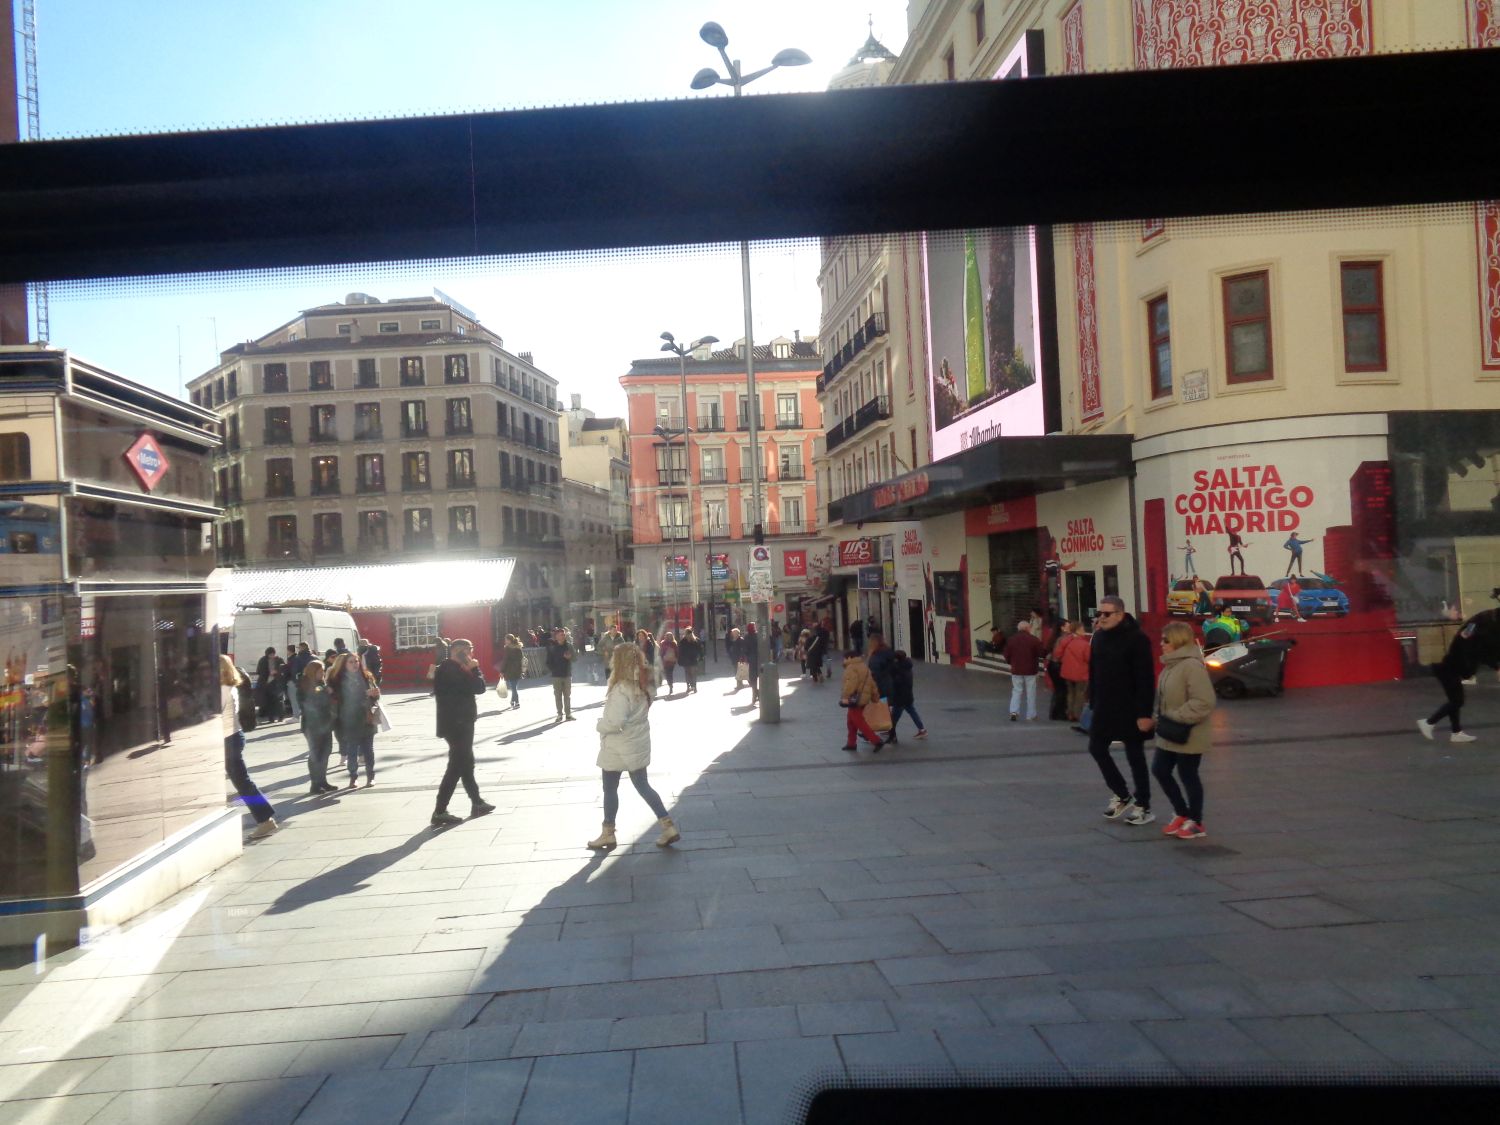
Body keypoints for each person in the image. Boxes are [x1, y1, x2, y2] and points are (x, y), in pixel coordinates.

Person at [586, 642, 680, 850]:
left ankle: (608, 833)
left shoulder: (621, 689)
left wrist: (599, 725)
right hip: (638, 740)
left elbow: (615, 722)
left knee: (610, 788)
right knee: (643, 786)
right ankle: (668, 825)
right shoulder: (645, 684)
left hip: (618, 745)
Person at [1086, 596, 1157, 826]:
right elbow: (1094, 671)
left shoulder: (1137, 639)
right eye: (1100, 613)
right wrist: (1093, 700)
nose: (1101, 618)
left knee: (1135, 755)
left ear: (1120, 614)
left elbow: (1145, 678)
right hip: (1104, 706)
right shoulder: (1098, 637)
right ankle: (1122, 794)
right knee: (1096, 748)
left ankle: (1143, 805)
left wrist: (1144, 713)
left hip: (1131, 707)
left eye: (1107, 614)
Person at [1152, 621, 1217, 839]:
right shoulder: (1171, 665)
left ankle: (1196, 821)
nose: (1161, 644)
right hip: (1169, 730)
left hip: (1189, 731)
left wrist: (1175, 716)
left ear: (1179, 641)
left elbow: (1204, 701)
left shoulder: (1191, 665)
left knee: (1187, 774)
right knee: (1160, 769)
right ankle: (1182, 812)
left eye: (1166, 640)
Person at [431, 638, 495, 826]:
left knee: (467, 763)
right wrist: (474, 669)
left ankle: (477, 802)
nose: (471, 654)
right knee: (457, 766)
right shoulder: (448, 669)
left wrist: (472, 670)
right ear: (458, 651)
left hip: (462, 722)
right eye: (468, 651)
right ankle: (440, 811)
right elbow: (478, 687)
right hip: (456, 724)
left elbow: (478, 687)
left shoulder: (455, 668)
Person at [1419, 609, 1500, 745]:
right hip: (1448, 668)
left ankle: (1456, 733)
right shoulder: (1480, 628)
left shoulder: (1479, 625)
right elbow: (1480, 650)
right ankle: (1428, 723)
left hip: (1451, 668)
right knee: (1457, 701)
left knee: (1455, 701)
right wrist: (1496, 666)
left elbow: (1481, 648)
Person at [220, 655, 278, 838]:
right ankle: (265, 819)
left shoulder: (223, 689)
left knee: (243, 782)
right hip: (233, 737)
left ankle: (265, 820)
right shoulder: (230, 687)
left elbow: (214, 713)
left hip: (229, 739)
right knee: (242, 781)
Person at [329, 649, 380, 787]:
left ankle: (370, 776)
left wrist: (375, 693)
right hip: (349, 720)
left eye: (356, 661)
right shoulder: (338, 681)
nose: (354, 664)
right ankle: (353, 777)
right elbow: (343, 699)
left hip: (367, 719)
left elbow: (376, 696)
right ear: (344, 664)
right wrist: (365, 694)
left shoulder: (367, 676)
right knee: (352, 751)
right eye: (351, 662)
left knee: (369, 751)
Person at [299, 659, 337, 795]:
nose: (322, 674)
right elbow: (310, 694)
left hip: (325, 723)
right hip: (311, 725)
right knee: (316, 754)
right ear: (312, 672)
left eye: (323, 671)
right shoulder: (305, 683)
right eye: (320, 671)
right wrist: (324, 689)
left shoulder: (321, 684)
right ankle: (315, 784)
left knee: (326, 752)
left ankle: (323, 781)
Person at [839, 646, 883, 752]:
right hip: (864, 699)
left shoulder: (851, 668)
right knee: (851, 721)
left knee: (859, 721)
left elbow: (851, 684)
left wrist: (845, 697)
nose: (843, 661)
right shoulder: (864, 667)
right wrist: (875, 696)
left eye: (844, 658)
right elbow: (872, 683)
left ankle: (876, 740)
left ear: (849, 658)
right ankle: (851, 743)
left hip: (854, 699)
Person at [1002, 619, 1046, 722]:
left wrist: (1011, 663)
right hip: (1031, 670)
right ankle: (1031, 715)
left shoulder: (1011, 639)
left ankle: (1014, 711)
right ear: (1027, 628)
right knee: (1031, 692)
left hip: (1016, 670)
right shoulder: (1033, 639)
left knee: (1016, 690)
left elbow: (1006, 654)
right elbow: (1041, 653)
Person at [886, 649, 927, 744]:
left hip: (900, 697)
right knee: (912, 712)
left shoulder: (898, 670)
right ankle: (922, 729)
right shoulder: (907, 667)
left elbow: (896, 683)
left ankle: (891, 733)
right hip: (908, 696)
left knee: (894, 718)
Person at [1060, 622, 1091, 723]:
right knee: (1080, 694)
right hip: (1080, 673)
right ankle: (1077, 715)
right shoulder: (1085, 644)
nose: (1084, 631)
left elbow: (1057, 654)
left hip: (1067, 672)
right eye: (1082, 629)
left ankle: (1070, 713)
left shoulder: (1066, 641)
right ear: (1077, 630)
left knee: (1070, 693)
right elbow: (1089, 659)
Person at [1046, 621, 1075, 721]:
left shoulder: (1056, 638)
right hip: (1059, 666)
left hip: (1053, 666)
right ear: (1062, 628)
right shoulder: (1065, 638)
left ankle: (1055, 712)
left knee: (1058, 690)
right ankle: (1060, 713)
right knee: (1063, 690)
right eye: (1068, 626)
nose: (1071, 627)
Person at [545, 627, 576, 720]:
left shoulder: (569, 646)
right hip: (556, 675)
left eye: (564, 634)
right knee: (558, 695)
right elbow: (548, 662)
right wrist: (553, 669)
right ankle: (559, 714)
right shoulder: (552, 647)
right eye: (561, 635)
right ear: (556, 637)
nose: (563, 636)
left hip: (567, 674)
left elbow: (575, 658)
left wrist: (570, 657)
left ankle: (568, 714)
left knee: (567, 695)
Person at [255, 646, 284, 723]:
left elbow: (284, 670)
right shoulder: (263, 660)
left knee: (278, 701)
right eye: (270, 654)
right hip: (267, 684)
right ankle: (271, 718)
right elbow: (259, 671)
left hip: (275, 683)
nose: (272, 656)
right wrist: (269, 673)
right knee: (270, 702)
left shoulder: (279, 660)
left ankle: (280, 717)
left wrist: (276, 672)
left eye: (273, 654)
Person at [865, 629, 895, 701]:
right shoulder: (888, 651)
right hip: (889, 684)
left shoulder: (876, 656)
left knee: (881, 708)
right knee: (885, 708)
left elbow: (874, 673)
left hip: (880, 686)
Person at [501, 633, 525, 711]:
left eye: (506, 639)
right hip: (518, 669)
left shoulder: (507, 648)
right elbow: (521, 659)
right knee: (514, 687)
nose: (505, 641)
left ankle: (517, 702)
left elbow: (505, 660)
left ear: (509, 640)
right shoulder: (519, 647)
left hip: (510, 670)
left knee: (513, 687)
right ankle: (512, 701)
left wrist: (502, 671)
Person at [677, 627, 703, 694]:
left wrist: (680, 659)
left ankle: (690, 687)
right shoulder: (695, 640)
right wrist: (700, 657)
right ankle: (693, 687)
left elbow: (680, 651)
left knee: (688, 674)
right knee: (692, 674)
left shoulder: (683, 641)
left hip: (688, 659)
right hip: (691, 659)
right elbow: (700, 650)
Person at [743, 622, 762, 704]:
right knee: (757, 677)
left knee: (751, 679)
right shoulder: (758, 635)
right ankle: (757, 694)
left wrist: (745, 657)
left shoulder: (746, 637)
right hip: (758, 659)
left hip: (750, 659)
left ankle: (755, 694)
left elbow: (744, 649)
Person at [281, 645, 300, 719]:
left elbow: (290, 670)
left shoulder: (292, 659)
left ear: (289, 650)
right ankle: (297, 714)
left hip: (292, 681)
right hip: (297, 681)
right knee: (296, 699)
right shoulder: (297, 657)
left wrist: (283, 668)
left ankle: (296, 716)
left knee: (293, 699)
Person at [659, 631, 679, 695]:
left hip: (666, 661)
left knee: (668, 674)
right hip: (672, 661)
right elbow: (676, 652)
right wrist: (676, 658)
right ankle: (671, 684)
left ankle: (670, 685)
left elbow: (661, 652)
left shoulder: (663, 643)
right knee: (670, 674)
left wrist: (662, 657)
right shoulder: (674, 643)